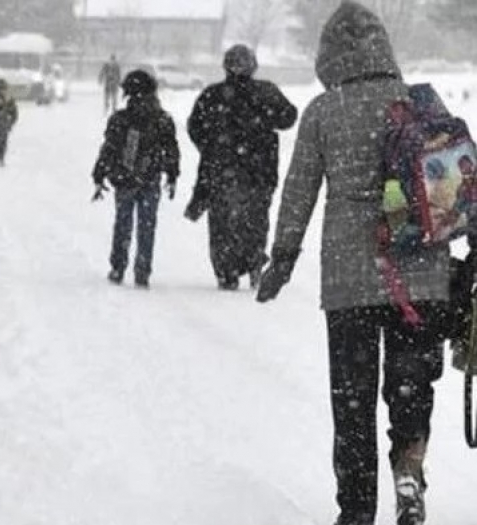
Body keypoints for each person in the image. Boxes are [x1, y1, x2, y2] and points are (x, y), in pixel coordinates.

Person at [256, 3, 448, 525]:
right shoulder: (417, 103)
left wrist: (283, 257)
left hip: (350, 278)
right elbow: (450, 185)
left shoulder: (324, 110)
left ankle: (357, 509)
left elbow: (298, 192)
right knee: (410, 386)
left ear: (328, 55)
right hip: (422, 273)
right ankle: (409, 473)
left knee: (353, 399)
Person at [185, 44, 297, 290]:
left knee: (222, 223)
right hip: (260, 171)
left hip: (221, 171)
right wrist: (264, 119)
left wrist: (211, 146)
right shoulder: (265, 92)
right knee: (255, 220)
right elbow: (289, 117)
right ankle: (254, 260)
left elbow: (194, 127)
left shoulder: (212, 95)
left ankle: (227, 271)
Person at [91, 69, 180, 288]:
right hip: (150, 179)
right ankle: (142, 270)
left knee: (123, 223)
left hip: (124, 178)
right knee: (147, 226)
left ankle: (118, 267)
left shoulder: (121, 119)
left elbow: (109, 149)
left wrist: (100, 173)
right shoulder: (163, 119)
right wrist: (172, 173)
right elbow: (171, 149)